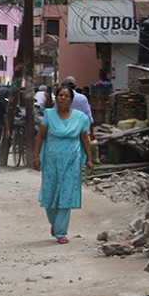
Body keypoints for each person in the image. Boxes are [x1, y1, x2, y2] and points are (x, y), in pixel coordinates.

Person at [32, 85, 94, 244]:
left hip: (72, 163)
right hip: (51, 162)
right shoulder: (49, 115)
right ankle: (54, 222)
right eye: (60, 95)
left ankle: (61, 232)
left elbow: (85, 139)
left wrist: (89, 158)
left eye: (67, 96)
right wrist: (36, 157)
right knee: (50, 193)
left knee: (66, 194)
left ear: (72, 100)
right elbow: (40, 136)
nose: (63, 98)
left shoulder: (80, 118)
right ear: (56, 98)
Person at [56, 76, 95, 140]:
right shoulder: (83, 98)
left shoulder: (60, 98)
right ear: (75, 86)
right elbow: (89, 118)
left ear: (63, 85)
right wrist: (92, 133)